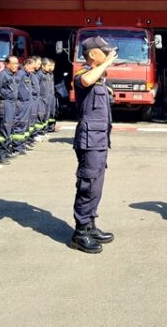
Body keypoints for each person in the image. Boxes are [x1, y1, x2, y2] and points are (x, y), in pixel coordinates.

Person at [69, 36, 117, 254]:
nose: (108, 55)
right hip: (89, 141)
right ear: (92, 54)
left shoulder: (100, 78)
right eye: (104, 52)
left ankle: (90, 225)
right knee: (87, 185)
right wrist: (107, 64)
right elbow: (86, 81)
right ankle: (80, 233)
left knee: (96, 185)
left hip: (100, 140)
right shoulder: (83, 73)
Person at [0, 55, 19, 164]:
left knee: (10, 128)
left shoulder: (13, 75)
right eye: (13, 63)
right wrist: (7, 95)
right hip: (5, 104)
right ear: (6, 64)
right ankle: (1, 154)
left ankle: (6, 151)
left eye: (17, 63)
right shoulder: (2, 75)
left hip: (12, 104)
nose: (16, 65)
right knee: (4, 129)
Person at [12, 58, 35, 155]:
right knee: (20, 124)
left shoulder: (27, 75)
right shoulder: (20, 74)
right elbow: (15, 88)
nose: (33, 70)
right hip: (21, 103)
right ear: (27, 65)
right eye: (32, 67)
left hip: (27, 103)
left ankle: (22, 145)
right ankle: (17, 147)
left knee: (25, 124)